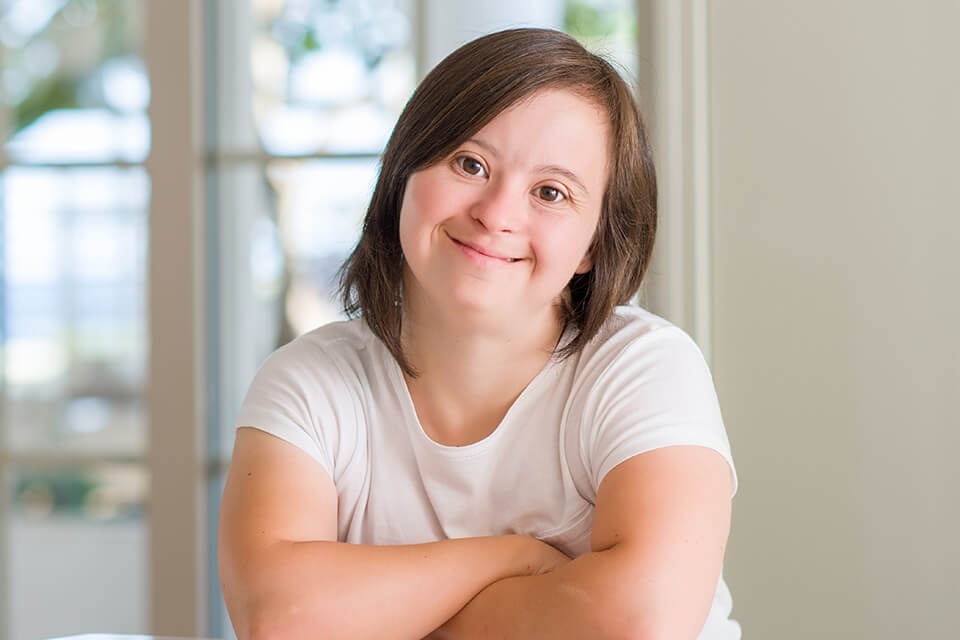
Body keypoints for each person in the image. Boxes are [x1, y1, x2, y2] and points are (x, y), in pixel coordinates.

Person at [218, 27, 740, 640]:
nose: (496, 213)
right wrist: (515, 558)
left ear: (593, 246)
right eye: (471, 163)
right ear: (403, 174)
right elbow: (280, 620)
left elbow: (636, 624)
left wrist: (387, 617)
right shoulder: (309, 381)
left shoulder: (645, 366)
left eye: (551, 192)